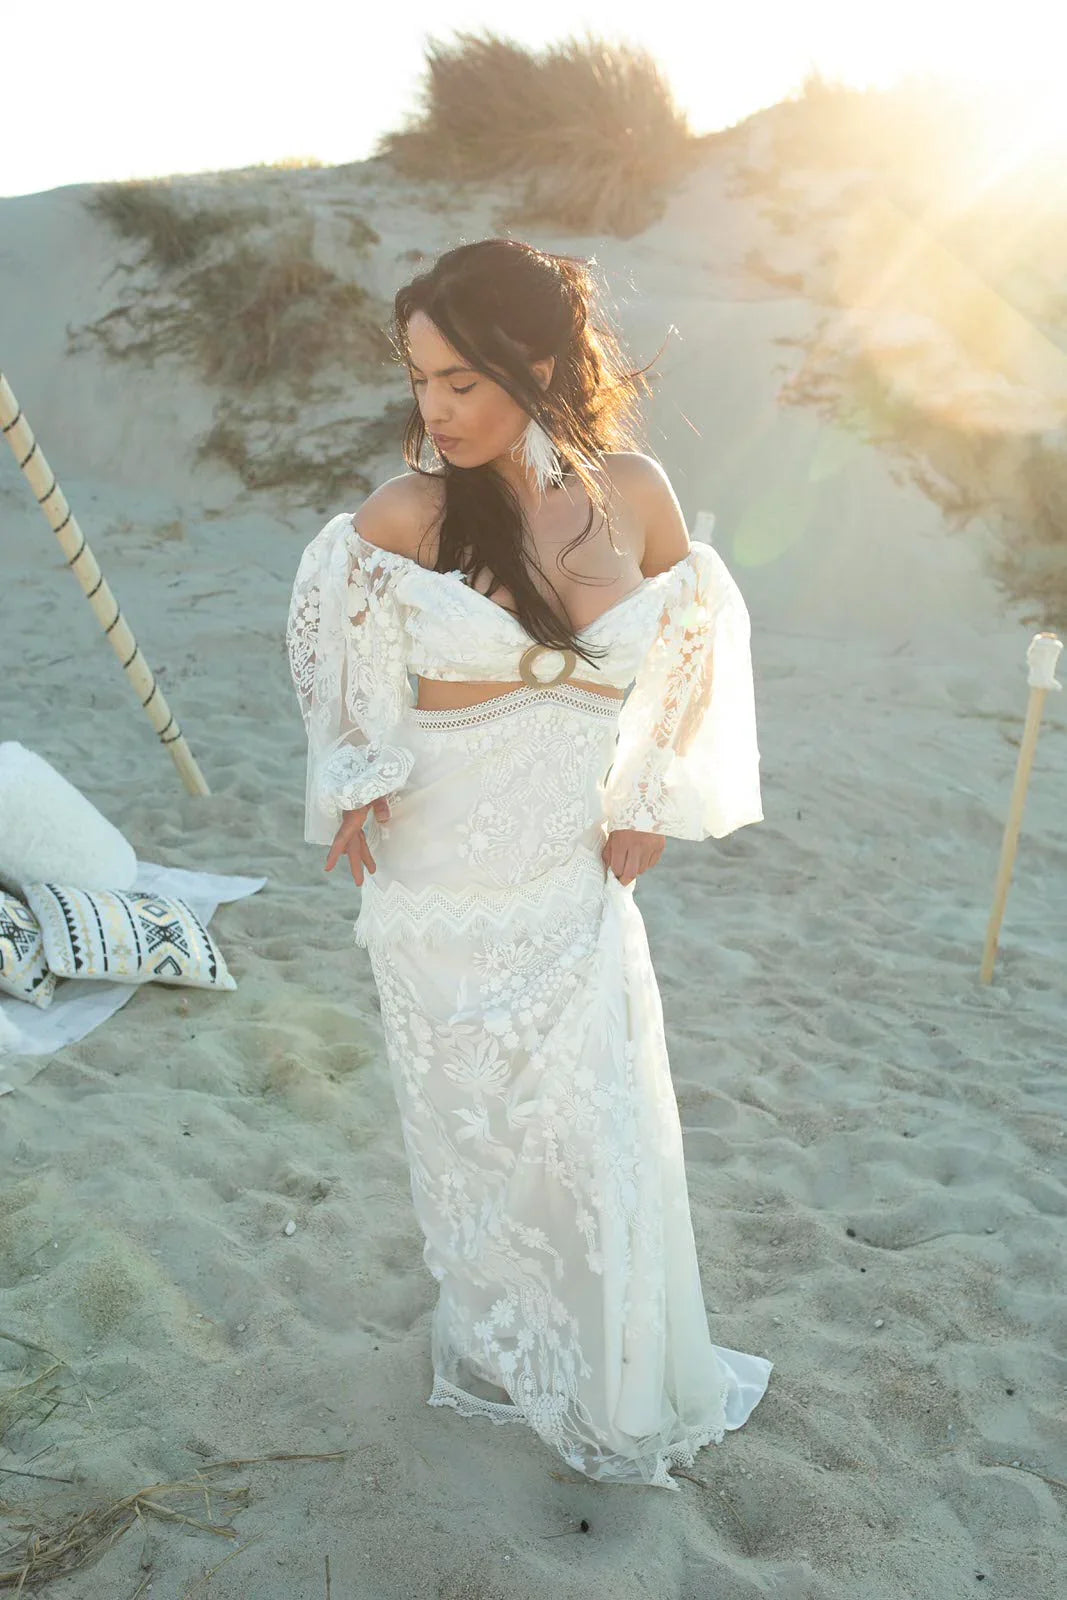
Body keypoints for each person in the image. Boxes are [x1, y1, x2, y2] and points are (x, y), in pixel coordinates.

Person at [286, 238, 771, 1490]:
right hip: (434, 883)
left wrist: (648, 792)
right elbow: (333, 648)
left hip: (566, 879)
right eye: (419, 381)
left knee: (593, 1127)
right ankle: (507, 1348)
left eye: (459, 380)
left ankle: (608, 1378)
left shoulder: (634, 492)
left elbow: (694, 639)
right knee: (478, 1140)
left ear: (539, 363)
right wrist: (357, 773)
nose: (432, 410)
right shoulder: (407, 514)